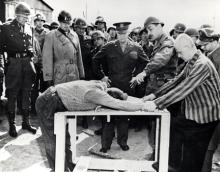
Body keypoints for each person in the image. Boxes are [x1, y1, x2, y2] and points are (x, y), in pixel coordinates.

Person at [35, 80, 153, 171]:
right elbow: (119, 105)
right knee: (52, 139)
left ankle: (68, 165)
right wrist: (141, 106)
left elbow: (119, 99)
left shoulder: (99, 85)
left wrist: (134, 99)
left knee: (64, 138)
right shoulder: (97, 94)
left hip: (53, 97)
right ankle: (57, 169)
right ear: (108, 97)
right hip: (48, 102)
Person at [144, 33, 220, 172]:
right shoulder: (192, 61)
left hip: (204, 117)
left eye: (179, 52)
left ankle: (182, 167)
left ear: (188, 47)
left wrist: (156, 103)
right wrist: (154, 94)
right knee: (173, 128)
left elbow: (183, 89)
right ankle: (172, 164)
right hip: (195, 111)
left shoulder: (202, 64)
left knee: (192, 156)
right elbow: (176, 81)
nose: (178, 56)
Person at [93, 21, 148, 152]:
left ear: (128, 33)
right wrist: (102, 77)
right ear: (116, 33)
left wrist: (137, 76)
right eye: (119, 33)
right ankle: (105, 145)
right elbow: (95, 60)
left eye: (124, 33)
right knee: (108, 116)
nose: (122, 36)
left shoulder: (136, 47)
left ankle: (122, 142)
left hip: (127, 86)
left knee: (124, 116)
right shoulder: (109, 46)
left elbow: (146, 62)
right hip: (112, 86)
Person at [131, 16, 178, 153]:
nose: (149, 33)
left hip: (163, 88)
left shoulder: (168, 43)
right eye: (147, 30)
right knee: (154, 122)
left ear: (160, 26)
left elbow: (160, 60)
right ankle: (157, 152)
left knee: (162, 124)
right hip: (155, 86)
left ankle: (162, 156)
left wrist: (144, 73)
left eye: (150, 29)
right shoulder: (158, 42)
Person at [0, 2, 37, 137]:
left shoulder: (29, 28)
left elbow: (30, 44)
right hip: (14, 64)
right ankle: (12, 125)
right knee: (13, 94)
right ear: (16, 15)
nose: (26, 19)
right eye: (23, 17)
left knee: (27, 93)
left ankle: (26, 123)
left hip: (27, 63)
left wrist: (31, 52)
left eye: (27, 17)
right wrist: (3, 64)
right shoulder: (6, 28)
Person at [196, 27, 220, 172]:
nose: (202, 47)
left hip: (214, 108)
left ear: (215, 41)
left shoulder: (216, 59)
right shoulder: (211, 56)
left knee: (208, 146)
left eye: (205, 44)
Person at [42, 11, 84, 86]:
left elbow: (79, 57)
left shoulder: (74, 35)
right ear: (59, 22)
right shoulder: (51, 35)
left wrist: (81, 74)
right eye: (63, 23)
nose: (66, 25)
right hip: (59, 74)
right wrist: (48, 78)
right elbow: (47, 59)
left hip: (73, 73)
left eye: (68, 23)